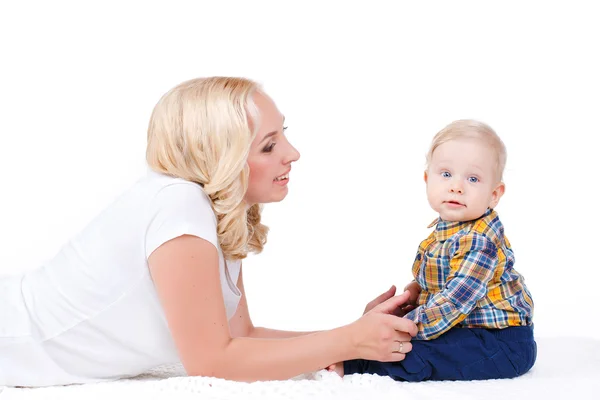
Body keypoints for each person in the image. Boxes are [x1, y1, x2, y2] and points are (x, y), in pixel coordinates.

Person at [0, 76, 419, 388]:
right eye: (268, 146)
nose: (292, 154)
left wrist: (353, 336)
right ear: (224, 157)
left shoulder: (214, 211)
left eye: (283, 136)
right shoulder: (178, 207)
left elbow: (242, 337)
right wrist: (345, 342)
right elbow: (214, 361)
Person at [328, 119, 536, 381]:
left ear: (494, 194)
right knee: (428, 344)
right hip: (466, 328)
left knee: (421, 353)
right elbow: (448, 278)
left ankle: (361, 364)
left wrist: (405, 327)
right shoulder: (449, 229)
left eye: (473, 178)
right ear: (428, 179)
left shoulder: (479, 240)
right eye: (446, 174)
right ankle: (357, 351)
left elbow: (454, 301)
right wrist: (418, 290)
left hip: (500, 343)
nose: (456, 186)